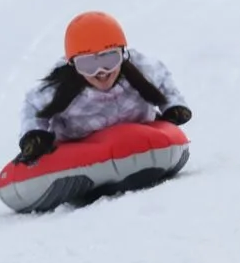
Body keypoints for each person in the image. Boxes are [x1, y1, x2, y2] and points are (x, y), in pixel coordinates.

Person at [14, 11, 193, 165]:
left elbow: (162, 78)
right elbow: (33, 105)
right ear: (73, 65)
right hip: (81, 145)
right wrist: (34, 135)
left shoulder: (141, 68)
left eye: (109, 60)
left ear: (122, 55)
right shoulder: (62, 86)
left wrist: (172, 106)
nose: (101, 72)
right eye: (88, 64)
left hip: (139, 131)